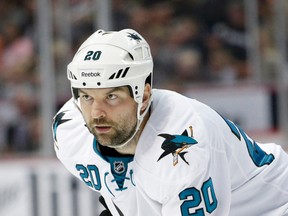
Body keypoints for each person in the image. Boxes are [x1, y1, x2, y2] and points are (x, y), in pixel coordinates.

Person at [52, 29, 288, 216]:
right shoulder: (68, 131)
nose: (96, 113)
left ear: (143, 96)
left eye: (111, 97)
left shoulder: (185, 150)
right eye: (86, 96)